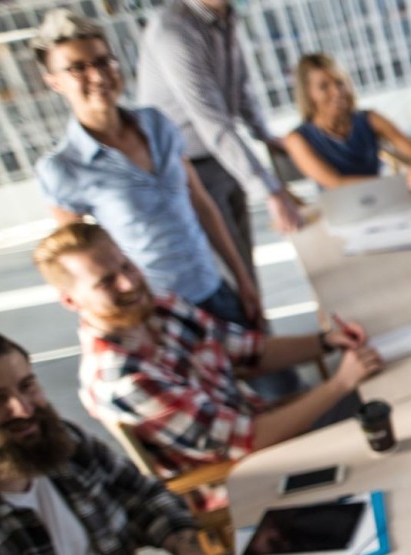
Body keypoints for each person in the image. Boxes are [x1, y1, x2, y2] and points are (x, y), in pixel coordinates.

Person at [32, 223, 385, 480]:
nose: (128, 283)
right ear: (70, 300)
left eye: (125, 266)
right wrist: (339, 383)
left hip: (266, 424)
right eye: (106, 281)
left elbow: (247, 352)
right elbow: (249, 442)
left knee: (390, 389)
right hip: (247, 474)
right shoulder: (124, 379)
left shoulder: (160, 307)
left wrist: (325, 342)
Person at [31, 9, 262, 333]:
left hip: (213, 286)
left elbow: (200, 203)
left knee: (275, 378)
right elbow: (79, 268)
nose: (97, 76)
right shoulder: (63, 169)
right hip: (155, 312)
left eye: (102, 61)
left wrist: (242, 279)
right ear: (54, 82)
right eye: (77, 68)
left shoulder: (156, 124)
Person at [0, 328, 204, 555]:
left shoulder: (66, 441)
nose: (23, 409)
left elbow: (145, 496)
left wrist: (185, 545)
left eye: (27, 386)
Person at [137, 0, 306, 281]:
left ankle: (257, 323)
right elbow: (210, 118)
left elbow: (239, 85)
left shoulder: (225, 15)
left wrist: (263, 133)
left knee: (245, 266)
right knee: (229, 273)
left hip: (223, 157)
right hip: (187, 167)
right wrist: (270, 190)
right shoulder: (172, 29)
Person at [284, 53, 411, 192]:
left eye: (339, 83)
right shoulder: (297, 139)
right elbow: (336, 183)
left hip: (385, 200)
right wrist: (402, 183)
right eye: (324, 87)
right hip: (343, 215)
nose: (337, 92)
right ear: (309, 94)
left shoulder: (370, 119)